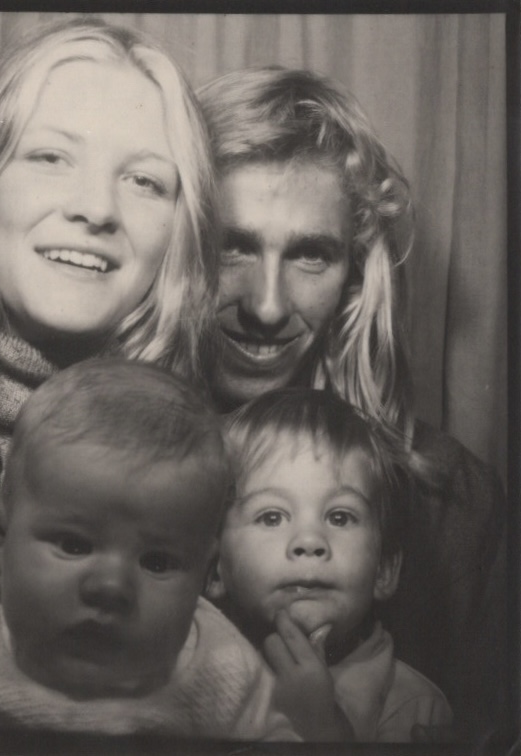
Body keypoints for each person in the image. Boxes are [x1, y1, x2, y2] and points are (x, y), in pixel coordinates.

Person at [198, 67, 509, 744]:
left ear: (352, 275)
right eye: (233, 247)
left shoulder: (446, 501)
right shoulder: (91, 466)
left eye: (310, 255)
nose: (267, 305)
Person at [0, 17, 219, 581]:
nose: (97, 208)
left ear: (180, 233)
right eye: (51, 158)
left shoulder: (213, 472)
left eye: (144, 181)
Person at [0, 358, 297, 745]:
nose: (112, 587)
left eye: (157, 562)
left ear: (206, 574)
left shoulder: (220, 672)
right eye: (74, 545)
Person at [208, 388, 453, 742]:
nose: (310, 542)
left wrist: (320, 730)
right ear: (215, 567)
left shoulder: (415, 711)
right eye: (272, 517)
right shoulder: (189, 683)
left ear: (384, 568)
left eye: (339, 517)